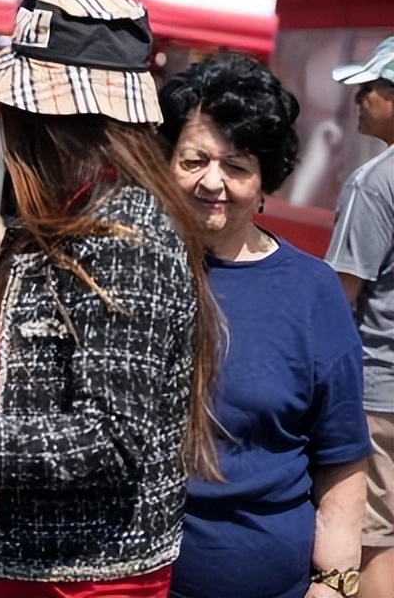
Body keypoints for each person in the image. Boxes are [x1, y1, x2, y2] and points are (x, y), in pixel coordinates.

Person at [0, 0, 224, 598]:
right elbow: (20, 383)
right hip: (44, 562)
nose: (4, 127)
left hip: (96, 576)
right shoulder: (61, 217)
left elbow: (110, 440)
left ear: (55, 121)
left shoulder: (127, 235)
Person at [158, 54, 369, 598]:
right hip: (136, 582)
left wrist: (334, 584)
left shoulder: (312, 291)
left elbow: (341, 458)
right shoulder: (135, 271)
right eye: (195, 159)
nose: (212, 181)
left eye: (236, 166)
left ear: (265, 178)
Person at [326, 36, 394, 598]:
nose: (359, 99)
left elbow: (338, 298)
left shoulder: (374, 184)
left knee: (373, 543)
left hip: (378, 394)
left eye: (370, 88)